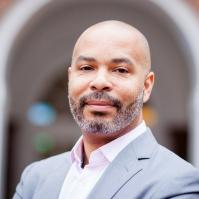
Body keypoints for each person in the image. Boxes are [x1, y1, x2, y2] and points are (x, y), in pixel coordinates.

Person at [13, 20, 199, 199]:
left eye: (120, 70)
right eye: (86, 67)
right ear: (70, 78)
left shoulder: (177, 183)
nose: (100, 82)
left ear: (147, 86)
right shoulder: (35, 178)